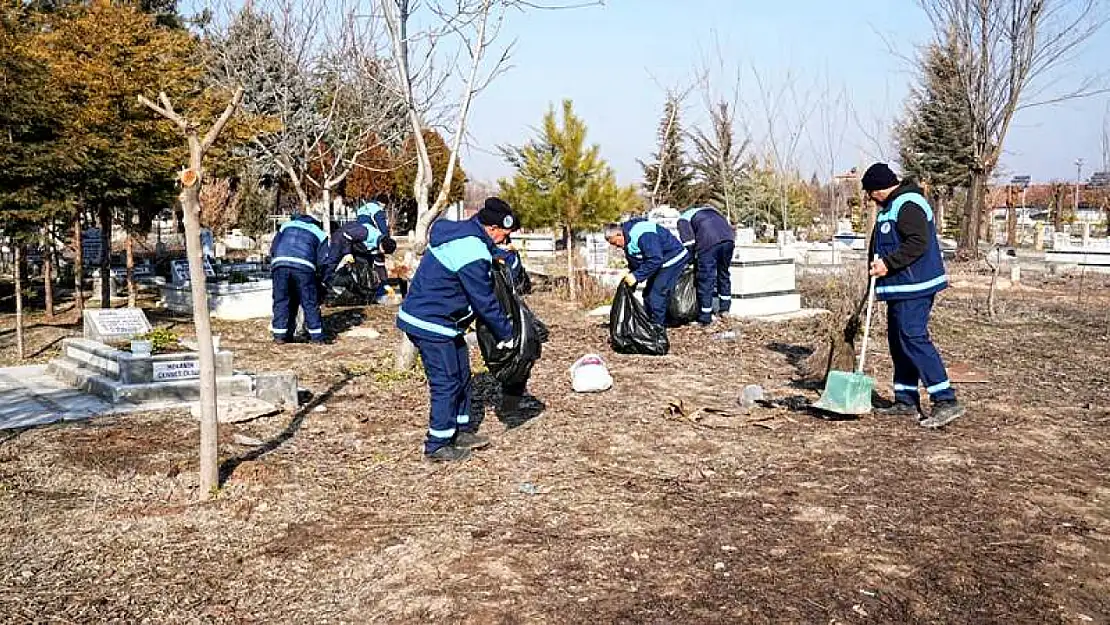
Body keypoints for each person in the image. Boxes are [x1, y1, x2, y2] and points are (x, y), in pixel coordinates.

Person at [396, 197, 517, 462]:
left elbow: (482, 253)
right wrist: (505, 334)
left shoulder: (468, 234)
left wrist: (500, 256)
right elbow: (483, 299)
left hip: (445, 322)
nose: (503, 241)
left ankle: (460, 430)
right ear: (493, 228)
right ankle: (437, 445)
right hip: (431, 321)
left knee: (462, 374)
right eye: (504, 236)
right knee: (446, 382)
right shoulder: (471, 251)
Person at [859, 162, 964, 428]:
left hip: (915, 286)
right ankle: (905, 400)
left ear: (879, 188)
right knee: (899, 340)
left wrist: (888, 264)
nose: (870, 198)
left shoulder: (908, 203)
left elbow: (918, 242)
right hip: (898, 287)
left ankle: (945, 399)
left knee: (913, 337)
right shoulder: (890, 207)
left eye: (870, 192)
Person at [604, 217, 688, 326]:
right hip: (659, 262)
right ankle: (653, 322)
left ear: (619, 235)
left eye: (616, 243)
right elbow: (635, 261)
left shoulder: (644, 235)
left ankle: (657, 328)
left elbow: (655, 259)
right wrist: (631, 280)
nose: (617, 247)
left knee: (656, 294)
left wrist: (636, 276)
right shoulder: (626, 240)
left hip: (673, 258)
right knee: (647, 294)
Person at [269, 211, 330, 344]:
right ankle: (317, 337)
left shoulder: (286, 225)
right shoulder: (320, 233)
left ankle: (280, 336)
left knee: (282, 300)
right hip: (304, 266)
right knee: (309, 301)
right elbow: (323, 261)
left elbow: (274, 247)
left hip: (280, 264)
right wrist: (321, 280)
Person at [678, 204, 736, 325]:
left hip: (708, 242)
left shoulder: (683, 219)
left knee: (706, 278)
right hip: (729, 239)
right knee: (723, 273)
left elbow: (689, 243)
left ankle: (705, 316)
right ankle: (725, 309)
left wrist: (690, 261)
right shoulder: (714, 211)